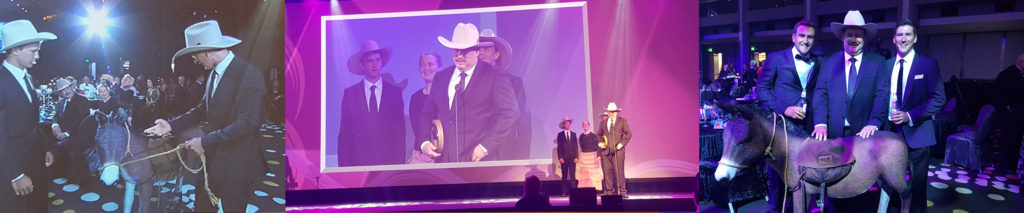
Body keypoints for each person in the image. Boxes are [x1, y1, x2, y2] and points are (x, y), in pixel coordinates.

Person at [144, 20, 267, 212]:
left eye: (194, 54)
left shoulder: (248, 74)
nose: (194, 59)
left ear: (208, 52)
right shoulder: (214, 73)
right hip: (213, 160)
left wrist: (205, 142)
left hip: (238, 165)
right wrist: (170, 125)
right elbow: (201, 109)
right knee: (202, 207)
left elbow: (249, 123)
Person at [417, 23, 519, 162]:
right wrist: (424, 142)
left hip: (479, 165)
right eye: (455, 50)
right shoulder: (441, 78)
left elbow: (509, 113)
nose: (459, 55)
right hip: (445, 164)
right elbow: (427, 114)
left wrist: (486, 146)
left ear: (477, 51)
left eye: (464, 50)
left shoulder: (494, 76)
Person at [754, 19, 820, 212]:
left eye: (810, 37)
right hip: (781, 126)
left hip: (808, 127)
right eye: (802, 36)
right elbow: (762, 89)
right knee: (779, 173)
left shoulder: (818, 61)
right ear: (794, 37)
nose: (805, 40)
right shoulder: (776, 58)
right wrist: (784, 108)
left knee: (806, 172)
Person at [882, 19, 945, 213]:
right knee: (892, 183)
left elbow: (939, 98)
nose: (903, 38)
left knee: (918, 191)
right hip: (891, 135)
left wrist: (909, 115)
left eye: (908, 34)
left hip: (918, 136)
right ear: (893, 39)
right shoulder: (886, 66)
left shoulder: (927, 64)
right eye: (899, 35)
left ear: (915, 38)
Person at [0, 19, 57, 212]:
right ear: (15, 50)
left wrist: (45, 148)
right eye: (33, 51)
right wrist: (15, 175)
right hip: (13, 171)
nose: (38, 56)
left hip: (36, 163)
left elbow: (33, 123)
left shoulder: (28, 78)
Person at [812, 10, 889, 140]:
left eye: (858, 35)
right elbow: (821, 93)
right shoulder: (828, 62)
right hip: (832, 133)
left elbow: (882, 95)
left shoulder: (878, 62)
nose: (854, 39)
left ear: (864, 38)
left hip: (865, 135)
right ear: (842, 37)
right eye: (849, 35)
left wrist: (873, 123)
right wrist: (820, 123)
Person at [337, 40, 406, 166]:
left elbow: (400, 134)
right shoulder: (350, 94)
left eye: (378, 60)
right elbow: (344, 136)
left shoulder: (395, 93)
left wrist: (398, 167)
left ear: (382, 63)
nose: (375, 64)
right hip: (358, 166)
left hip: (388, 166)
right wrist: (344, 170)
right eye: (370, 60)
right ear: (362, 65)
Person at [479, 28, 532, 160]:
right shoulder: (467, 83)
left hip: (504, 153)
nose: (480, 53)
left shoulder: (513, 81)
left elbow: (523, 122)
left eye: (486, 49)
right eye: (478, 49)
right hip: (475, 156)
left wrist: (521, 158)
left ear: (496, 55)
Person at [409, 52, 441, 163]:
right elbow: (417, 130)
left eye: (430, 64)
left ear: (439, 68)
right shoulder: (415, 98)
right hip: (420, 155)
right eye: (422, 65)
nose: (426, 68)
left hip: (441, 155)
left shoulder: (446, 95)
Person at [994, 53, 1024, 172]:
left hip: (1020, 114)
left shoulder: (1021, 75)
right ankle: (1002, 166)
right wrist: (1005, 107)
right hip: (1011, 114)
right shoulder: (1008, 73)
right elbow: (997, 92)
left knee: (1017, 140)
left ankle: (1012, 165)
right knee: (1007, 139)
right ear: (1020, 62)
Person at [597, 102, 631, 197]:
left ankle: (621, 192)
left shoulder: (622, 121)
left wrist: (622, 143)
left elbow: (628, 134)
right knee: (607, 172)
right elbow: (599, 134)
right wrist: (600, 142)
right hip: (606, 151)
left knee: (618, 172)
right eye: (609, 112)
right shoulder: (603, 122)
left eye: (613, 112)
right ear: (607, 112)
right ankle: (609, 191)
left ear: (616, 112)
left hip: (618, 151)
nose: (611, 113)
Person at [555, 117, 578, 196]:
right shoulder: (560, 135)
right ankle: (564, 192)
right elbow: (559, 147)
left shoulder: (573, 134)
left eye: (568, 123)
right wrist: (560, 157)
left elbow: (575, 146)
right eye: (566, 123)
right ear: (563, 125)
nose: (568, 125)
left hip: (572, 158)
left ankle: (574, 192)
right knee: (564, 176)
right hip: (564, 159)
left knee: (573, 176)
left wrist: (576, 157)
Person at [577, 120, 602, 191]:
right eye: (584, 124)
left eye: (586, 124)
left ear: (589, 125)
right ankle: (585, 188)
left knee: (593, 173)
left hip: (592, 156)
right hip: (584, 156)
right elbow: (581, 145)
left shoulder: (594, 135)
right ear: (582, 126)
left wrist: (598, 155)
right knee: (585, 173)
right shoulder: (581, 136)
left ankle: (595, 188)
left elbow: (596, 146)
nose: (585, 125)